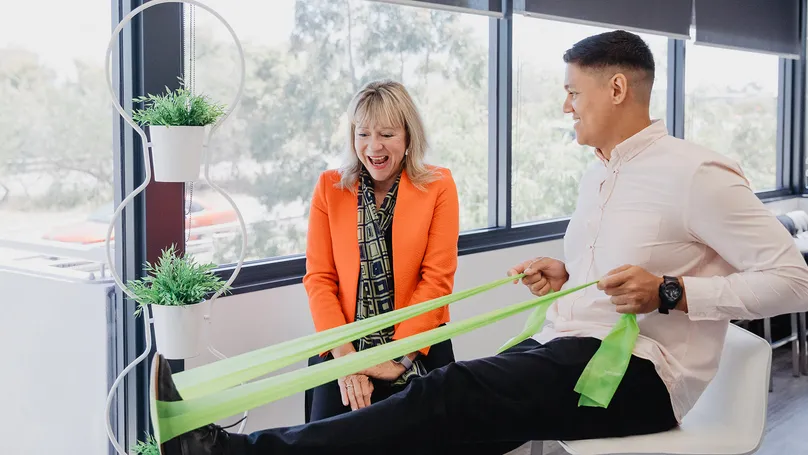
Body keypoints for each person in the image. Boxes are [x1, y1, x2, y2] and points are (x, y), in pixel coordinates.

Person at [153, 30, 808, 455]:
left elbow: (794, 280)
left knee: (447, 394)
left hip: (640, 374)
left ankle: (231, 452)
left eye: (572, 93)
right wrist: (566, 270)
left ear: (616, 88)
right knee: (444, 417)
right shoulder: (600, 175)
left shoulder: (696, 172)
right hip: (568, 341)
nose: (565, 108)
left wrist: (670, 291)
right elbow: (613, 270)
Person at [301, 79, 459, 421]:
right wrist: (350, 362)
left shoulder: (438, 185)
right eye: (363, 134)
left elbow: (437, 281)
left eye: (387, 134)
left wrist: (396, 361)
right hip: (342, 347)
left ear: (408, 137)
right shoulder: (329, 188)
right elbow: (319, 280)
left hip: (417, 347)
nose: (374, 146)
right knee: (325, 442)